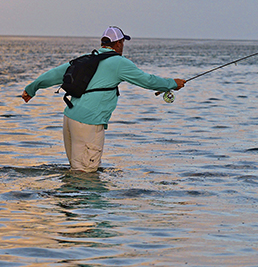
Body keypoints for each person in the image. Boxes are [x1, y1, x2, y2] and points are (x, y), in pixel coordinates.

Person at [21, 26, 185, 172]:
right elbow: (147, 81)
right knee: (85, 175)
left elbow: (55, 74)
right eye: (123, 42)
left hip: (70, 119)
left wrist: (31, 89)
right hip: (89, 124)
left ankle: (68, 205)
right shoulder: (119, 63)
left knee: (77, 172)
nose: (123, 46)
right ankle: (92, 206)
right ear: (118, 43)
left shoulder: (86, 59)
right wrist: (172, 83)